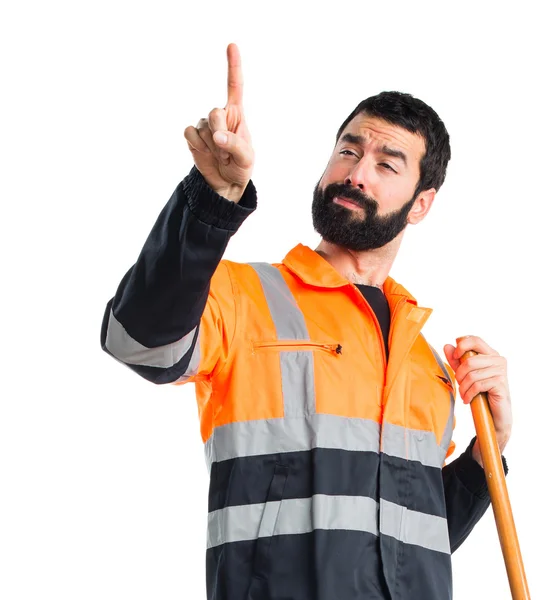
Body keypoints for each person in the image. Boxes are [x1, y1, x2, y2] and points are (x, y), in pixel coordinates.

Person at [101, 43, 512, 600]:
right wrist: (212, 200)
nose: (357, 173)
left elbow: (413, 543)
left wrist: (484, 458)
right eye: (348, 150)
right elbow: (137, 342)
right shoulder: (245, 297)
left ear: (421, 204)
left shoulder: (430, 365)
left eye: (386, 164)